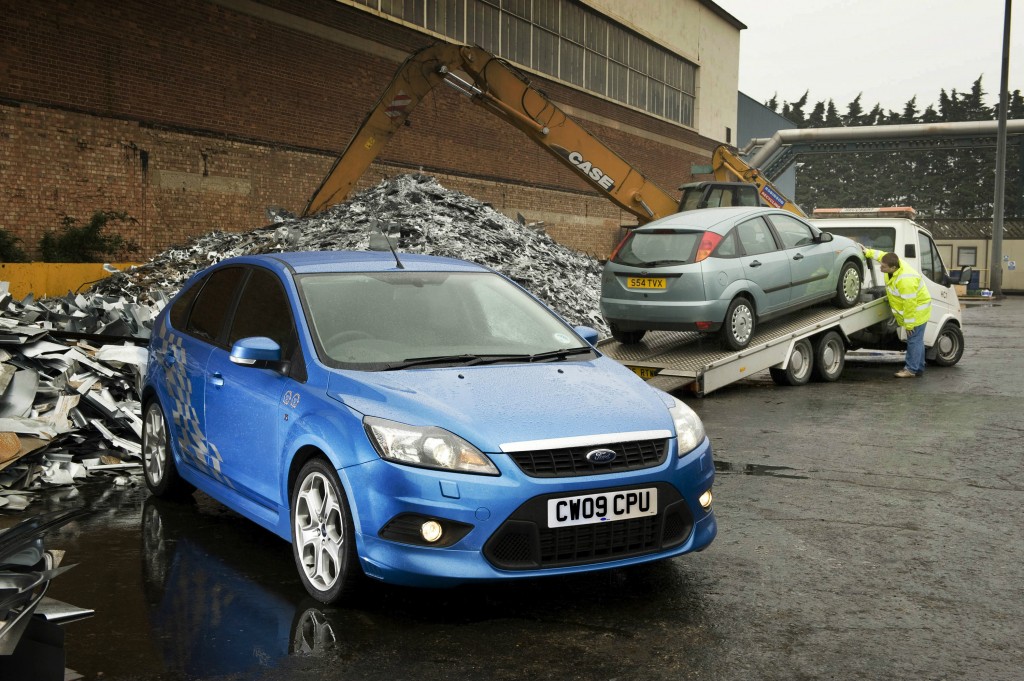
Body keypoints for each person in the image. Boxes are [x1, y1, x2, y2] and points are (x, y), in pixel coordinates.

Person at [860, 246, 932, 378]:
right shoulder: (893, 262)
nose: (881, 268)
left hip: (917, 311)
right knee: (917, 340)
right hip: (919, 308)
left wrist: (909, 325)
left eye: (884, 267)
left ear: (893, 268)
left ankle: (910, 370)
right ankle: (918, 368)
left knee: (913, 340)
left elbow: (909, 304)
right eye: (881, 265)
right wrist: (867, 252)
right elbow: (881, 254)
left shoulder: (905, 281)